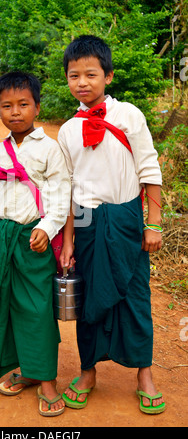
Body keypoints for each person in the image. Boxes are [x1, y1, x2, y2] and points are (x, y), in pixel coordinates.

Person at [58, 35, 165, 415]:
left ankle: (144, 375)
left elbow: (149, 170)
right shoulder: (68, 130)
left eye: (91, 74)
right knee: (88, 299)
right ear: (67, 80)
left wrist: (154, 224)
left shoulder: (129, 116)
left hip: (125, 218)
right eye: (74, 75)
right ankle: (88, 372)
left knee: (136, 297)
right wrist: (68, 241)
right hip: (86, 222)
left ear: (109, 76)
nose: (82, 82)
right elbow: (66, 189)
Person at [0, 71, 71, 416]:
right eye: (6, 106)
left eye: (23, 104)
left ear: (37, 106)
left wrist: (47, 228)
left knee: (37, 308)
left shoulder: (50, 148)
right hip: (2, 238)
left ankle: (47, 379)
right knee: (9, 307)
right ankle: (28, 371)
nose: (15, 112)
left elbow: (61, 195)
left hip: (34, 240)